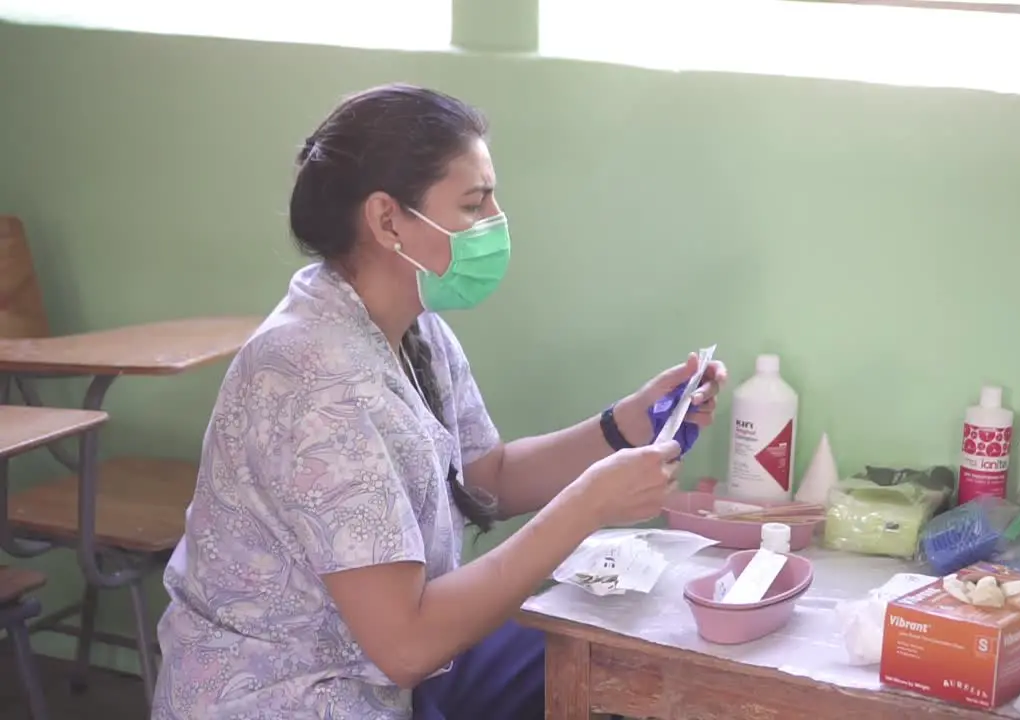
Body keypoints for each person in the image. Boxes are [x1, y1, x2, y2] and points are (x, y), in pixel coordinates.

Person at [151, 83, 728, 720]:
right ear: (388, 219)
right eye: (474, 204)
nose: (496, 223)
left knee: (608, 658)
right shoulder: (308, 375)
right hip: (292, 696)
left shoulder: (411, 326)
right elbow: (407, 644)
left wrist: (625, 426)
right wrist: (589, 506)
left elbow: (488, 478)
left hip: (387, 673)